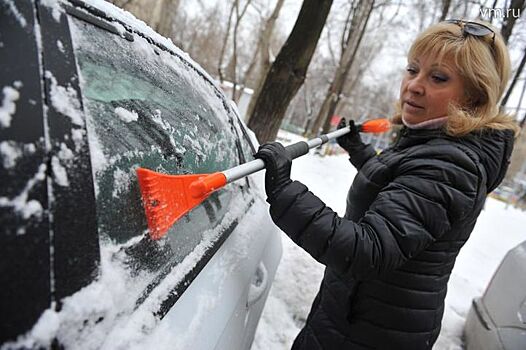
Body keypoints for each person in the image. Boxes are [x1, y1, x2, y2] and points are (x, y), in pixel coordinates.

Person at [255, 19, 519, 349]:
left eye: (437, 77)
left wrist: (284, 191)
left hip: (373, 334)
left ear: (474, 97)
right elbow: (402, 191)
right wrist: (360, 152)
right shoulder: (433, 143)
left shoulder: (451, 164)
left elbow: (368, 248)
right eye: (413, 70)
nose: (414, 85)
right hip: (360, 316)